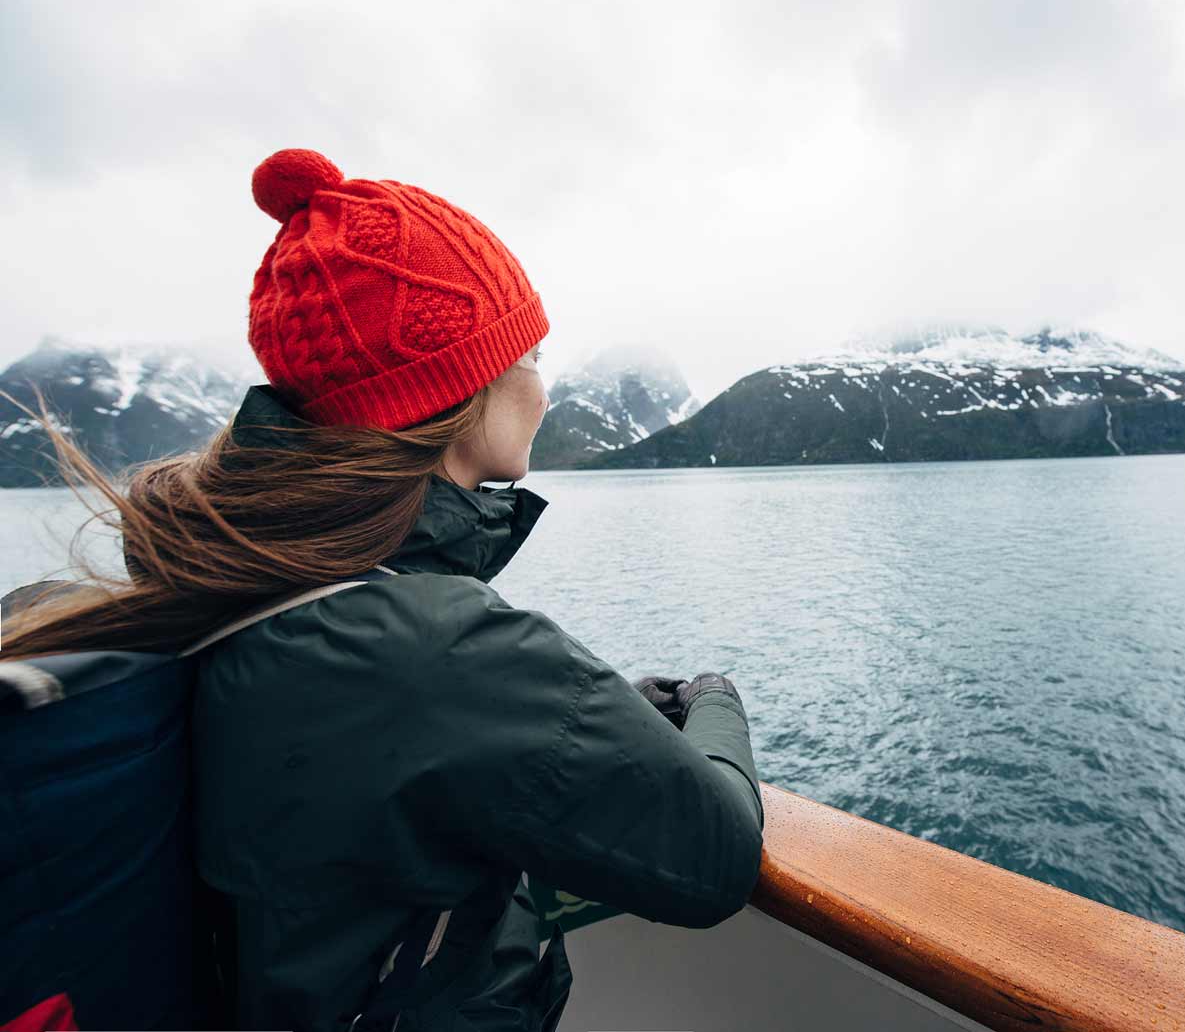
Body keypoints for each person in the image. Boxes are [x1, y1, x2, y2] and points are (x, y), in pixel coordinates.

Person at [0, 149, 765, 1030]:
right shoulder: (440, 645)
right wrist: (713, 701)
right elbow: (715, 855)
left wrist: (597, 721)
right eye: (531, 354)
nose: (544, 390)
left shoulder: (229, 577)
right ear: (464, 388)